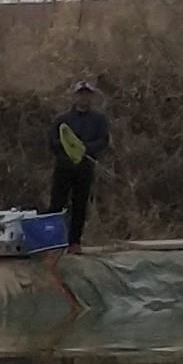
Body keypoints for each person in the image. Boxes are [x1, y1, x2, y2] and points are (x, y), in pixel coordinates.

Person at [46, 80, 111, 249]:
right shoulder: (62, 120)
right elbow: (53, 143)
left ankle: (74, 242)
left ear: (91, 97)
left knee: (80, 205)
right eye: (80, 94)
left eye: (87, 95)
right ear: (74, 97)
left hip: (84, 168)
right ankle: (53, 242)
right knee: (57, 205)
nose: (83, 98)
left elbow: (103, 141)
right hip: (64, 168)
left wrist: (84, 149)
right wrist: (70, 149)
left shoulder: (99, 119)